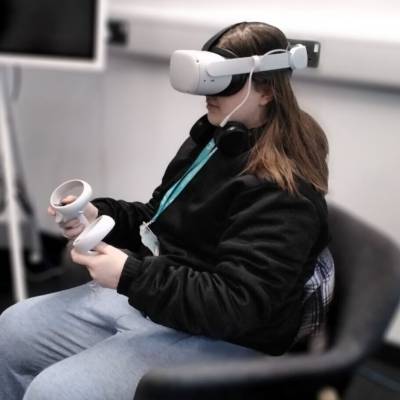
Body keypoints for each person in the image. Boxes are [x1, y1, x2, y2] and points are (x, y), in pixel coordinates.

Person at [0, 21, 332, 399]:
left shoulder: (285, 191)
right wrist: (99, 216)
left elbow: (238, 305)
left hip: (225, 334)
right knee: (11, 329)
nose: (208, 94)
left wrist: (130, 276)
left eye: (225, 83)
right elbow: (158, 217)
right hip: (163, 298)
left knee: (56, 391)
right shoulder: (218, 138)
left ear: (267, 90)